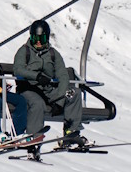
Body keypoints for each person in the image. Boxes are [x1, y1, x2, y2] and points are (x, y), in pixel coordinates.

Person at [12, 18, 87, 150]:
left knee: (74, 93)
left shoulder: (53, 54)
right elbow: (18, 69)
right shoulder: (24, 51)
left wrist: (60, 101)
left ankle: (71, 132)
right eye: (35, 38)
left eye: (42, 38)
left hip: (48, 90)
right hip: (29, 89)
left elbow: (63, 76)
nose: (39, 42)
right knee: (37, 103)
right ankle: (33, 138)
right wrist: (36, 76)